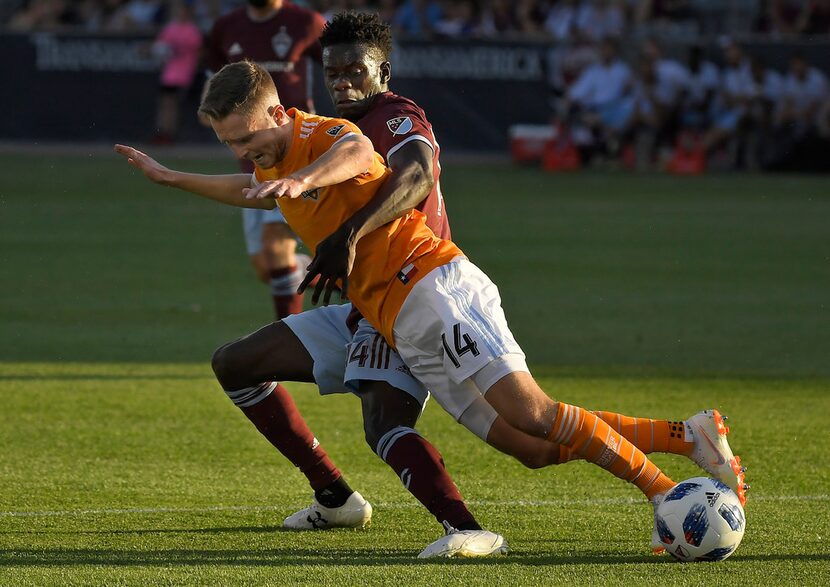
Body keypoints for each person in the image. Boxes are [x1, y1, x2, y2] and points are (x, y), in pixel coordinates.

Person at [115, 60, 748, 556]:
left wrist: (303, 181)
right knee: (525, 444)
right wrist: (174, 179)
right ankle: (683, 435)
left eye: (247, 137)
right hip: (396, 316)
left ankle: (666, 495)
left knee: (532, 410)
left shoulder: (321, 134)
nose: (241, 153)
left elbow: (361, 154)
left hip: (434, 287)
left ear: (278, 112)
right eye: (229, 142)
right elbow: (250, 189)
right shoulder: (273, 164)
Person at [204, 0, 327, 319]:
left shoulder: (306, 23)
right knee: (267, 268)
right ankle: (340, 275)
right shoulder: (225, 28)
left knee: (275, 251)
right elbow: (214, 91)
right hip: (252, 164)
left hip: (296, 159)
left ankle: (288, 343)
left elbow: (338, 67)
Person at [151, 0, 202, 144]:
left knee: (172, 105)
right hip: (169, 75)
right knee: (166, 104)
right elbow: (160, 48)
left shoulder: (192, 31)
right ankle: (163, 132)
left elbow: (197, 54)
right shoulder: (171, 28)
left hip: (184, 75)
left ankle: (168, 133)